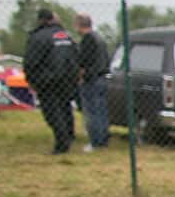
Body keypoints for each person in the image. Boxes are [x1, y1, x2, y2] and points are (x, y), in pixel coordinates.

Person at [22, 8, 79, 154]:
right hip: (67, 79)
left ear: (41, 20)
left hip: (47, 81)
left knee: (52, 112)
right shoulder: (66, 36)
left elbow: (30, 61)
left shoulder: (38, 37)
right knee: (65, 108)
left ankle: (62, 143)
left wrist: (32, 79)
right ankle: (69, 135)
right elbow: (76, 56)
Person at [72, 13, 110, 151]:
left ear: (78, 25)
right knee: (101, 111)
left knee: (91, 112)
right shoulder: (99, 38)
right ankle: (103, 139)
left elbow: (83, 61)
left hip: (91, 79)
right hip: (102, 77)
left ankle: (95, 142)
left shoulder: (87, 40)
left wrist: (81, 74)